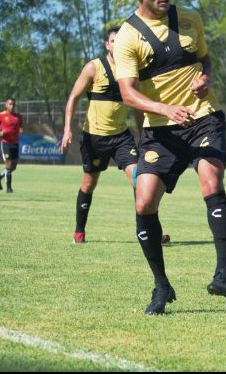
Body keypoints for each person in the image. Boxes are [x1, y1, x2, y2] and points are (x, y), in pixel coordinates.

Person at [113, 0, 226, 315]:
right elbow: (127, 93)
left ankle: (223, 273)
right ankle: (162, 286)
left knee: (210, 179)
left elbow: (206, 59)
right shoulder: (128, 36)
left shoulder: (190, 19)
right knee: (143, 202)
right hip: (160, 131)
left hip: (203, 119)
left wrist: (205, 78)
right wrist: (165, 109)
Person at [60, 26, 170, 245]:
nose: (116, 44)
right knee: (89, 184)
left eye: (120, 41)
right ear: (107, 45)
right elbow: (73, 98)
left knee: (139, 180)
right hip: (94, 138)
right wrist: (67, 129)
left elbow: (137, 105)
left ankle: (150, 233)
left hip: (121, 137)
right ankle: (79, 232)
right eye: (113, 41)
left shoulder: (130, 70)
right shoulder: (93, 67)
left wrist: (144, 135)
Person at [0, 98, 23, 193]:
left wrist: (21, 129)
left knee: (13, 167)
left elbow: (20, 126)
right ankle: (9, 188)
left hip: (15, 143)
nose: (12, 106)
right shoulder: (1, 115)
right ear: (6, 105)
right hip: (5, 143)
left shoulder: (18, 116)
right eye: (10, 104)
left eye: (13, 104)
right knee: (9, 165)